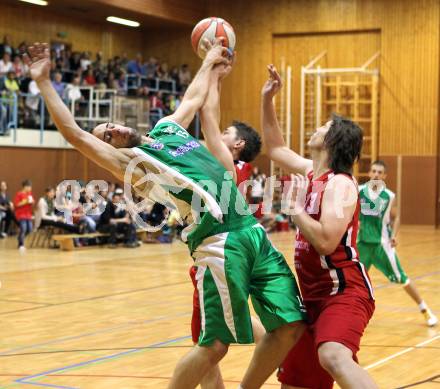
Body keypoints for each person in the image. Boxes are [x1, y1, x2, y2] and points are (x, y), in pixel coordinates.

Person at [26, 41, 306, 389]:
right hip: (218, 241)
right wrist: (44, 83)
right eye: (106, 137)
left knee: (291, 325)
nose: (111, 131)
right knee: (214, 347)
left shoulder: (166, 128)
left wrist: (209, 62)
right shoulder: (133, 165)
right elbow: (75, 134)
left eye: (109, 126)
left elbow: (192, 97)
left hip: (251, 231)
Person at [262, 65, 377, 389]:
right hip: (311, 296)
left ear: (333, 141)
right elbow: (274, 148)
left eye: (324, 126)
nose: (316, 128)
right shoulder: (313, 172)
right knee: (296, 383)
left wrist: (294, 209)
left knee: (333, 356)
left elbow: (326, 242)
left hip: (344, 291)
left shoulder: (341, 184)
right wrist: (267, 99)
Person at [358, 160, 438, 327]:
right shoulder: (358, 191)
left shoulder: (389, 196)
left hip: (382, 246)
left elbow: (396, 218)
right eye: (374, 171)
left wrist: (394, 235)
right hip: (361, 245)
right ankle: (352, 314)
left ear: (384, 176)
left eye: (380, 172)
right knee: (353, 281)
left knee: (402, 278)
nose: (376, 174)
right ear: (369, 173)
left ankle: (425, 310)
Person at [14, 179, 34, 251]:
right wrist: (24, 202)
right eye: (29, 187)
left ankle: (20, 238)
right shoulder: (19, 194)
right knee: (23, 229)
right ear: (25, 187)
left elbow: (31, 202)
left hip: (28, 214)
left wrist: (31, 202)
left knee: (30, 229)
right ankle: (21, 244)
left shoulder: (29, 194)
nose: (30, 188)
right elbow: (16, 204)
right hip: (21, 215)